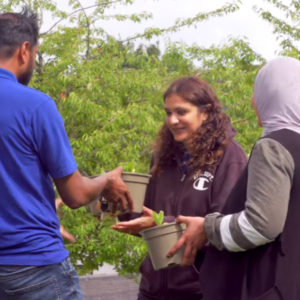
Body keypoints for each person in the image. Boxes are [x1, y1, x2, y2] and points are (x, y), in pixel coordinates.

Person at [0, 7, 133, 300]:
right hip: (33, 266)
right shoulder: (35, 105)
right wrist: (106, 180)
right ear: (25, 50)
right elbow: (75, 194)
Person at [168, 56, 300, 300]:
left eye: (257, 91)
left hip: (271, 286)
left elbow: (261, 226)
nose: (253, 100)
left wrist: (208, 228)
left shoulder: (274, 146)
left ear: (272, 95)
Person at [112, 76, 248, 300]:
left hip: (201, 291)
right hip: (153, 291)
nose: (173, 120)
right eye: (168, 113)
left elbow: (224, 223)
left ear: (205, 112)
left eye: (181, 112)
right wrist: (117, 201)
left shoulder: (228, 156)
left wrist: (159, 223)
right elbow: (147, 213)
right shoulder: (164, 157)